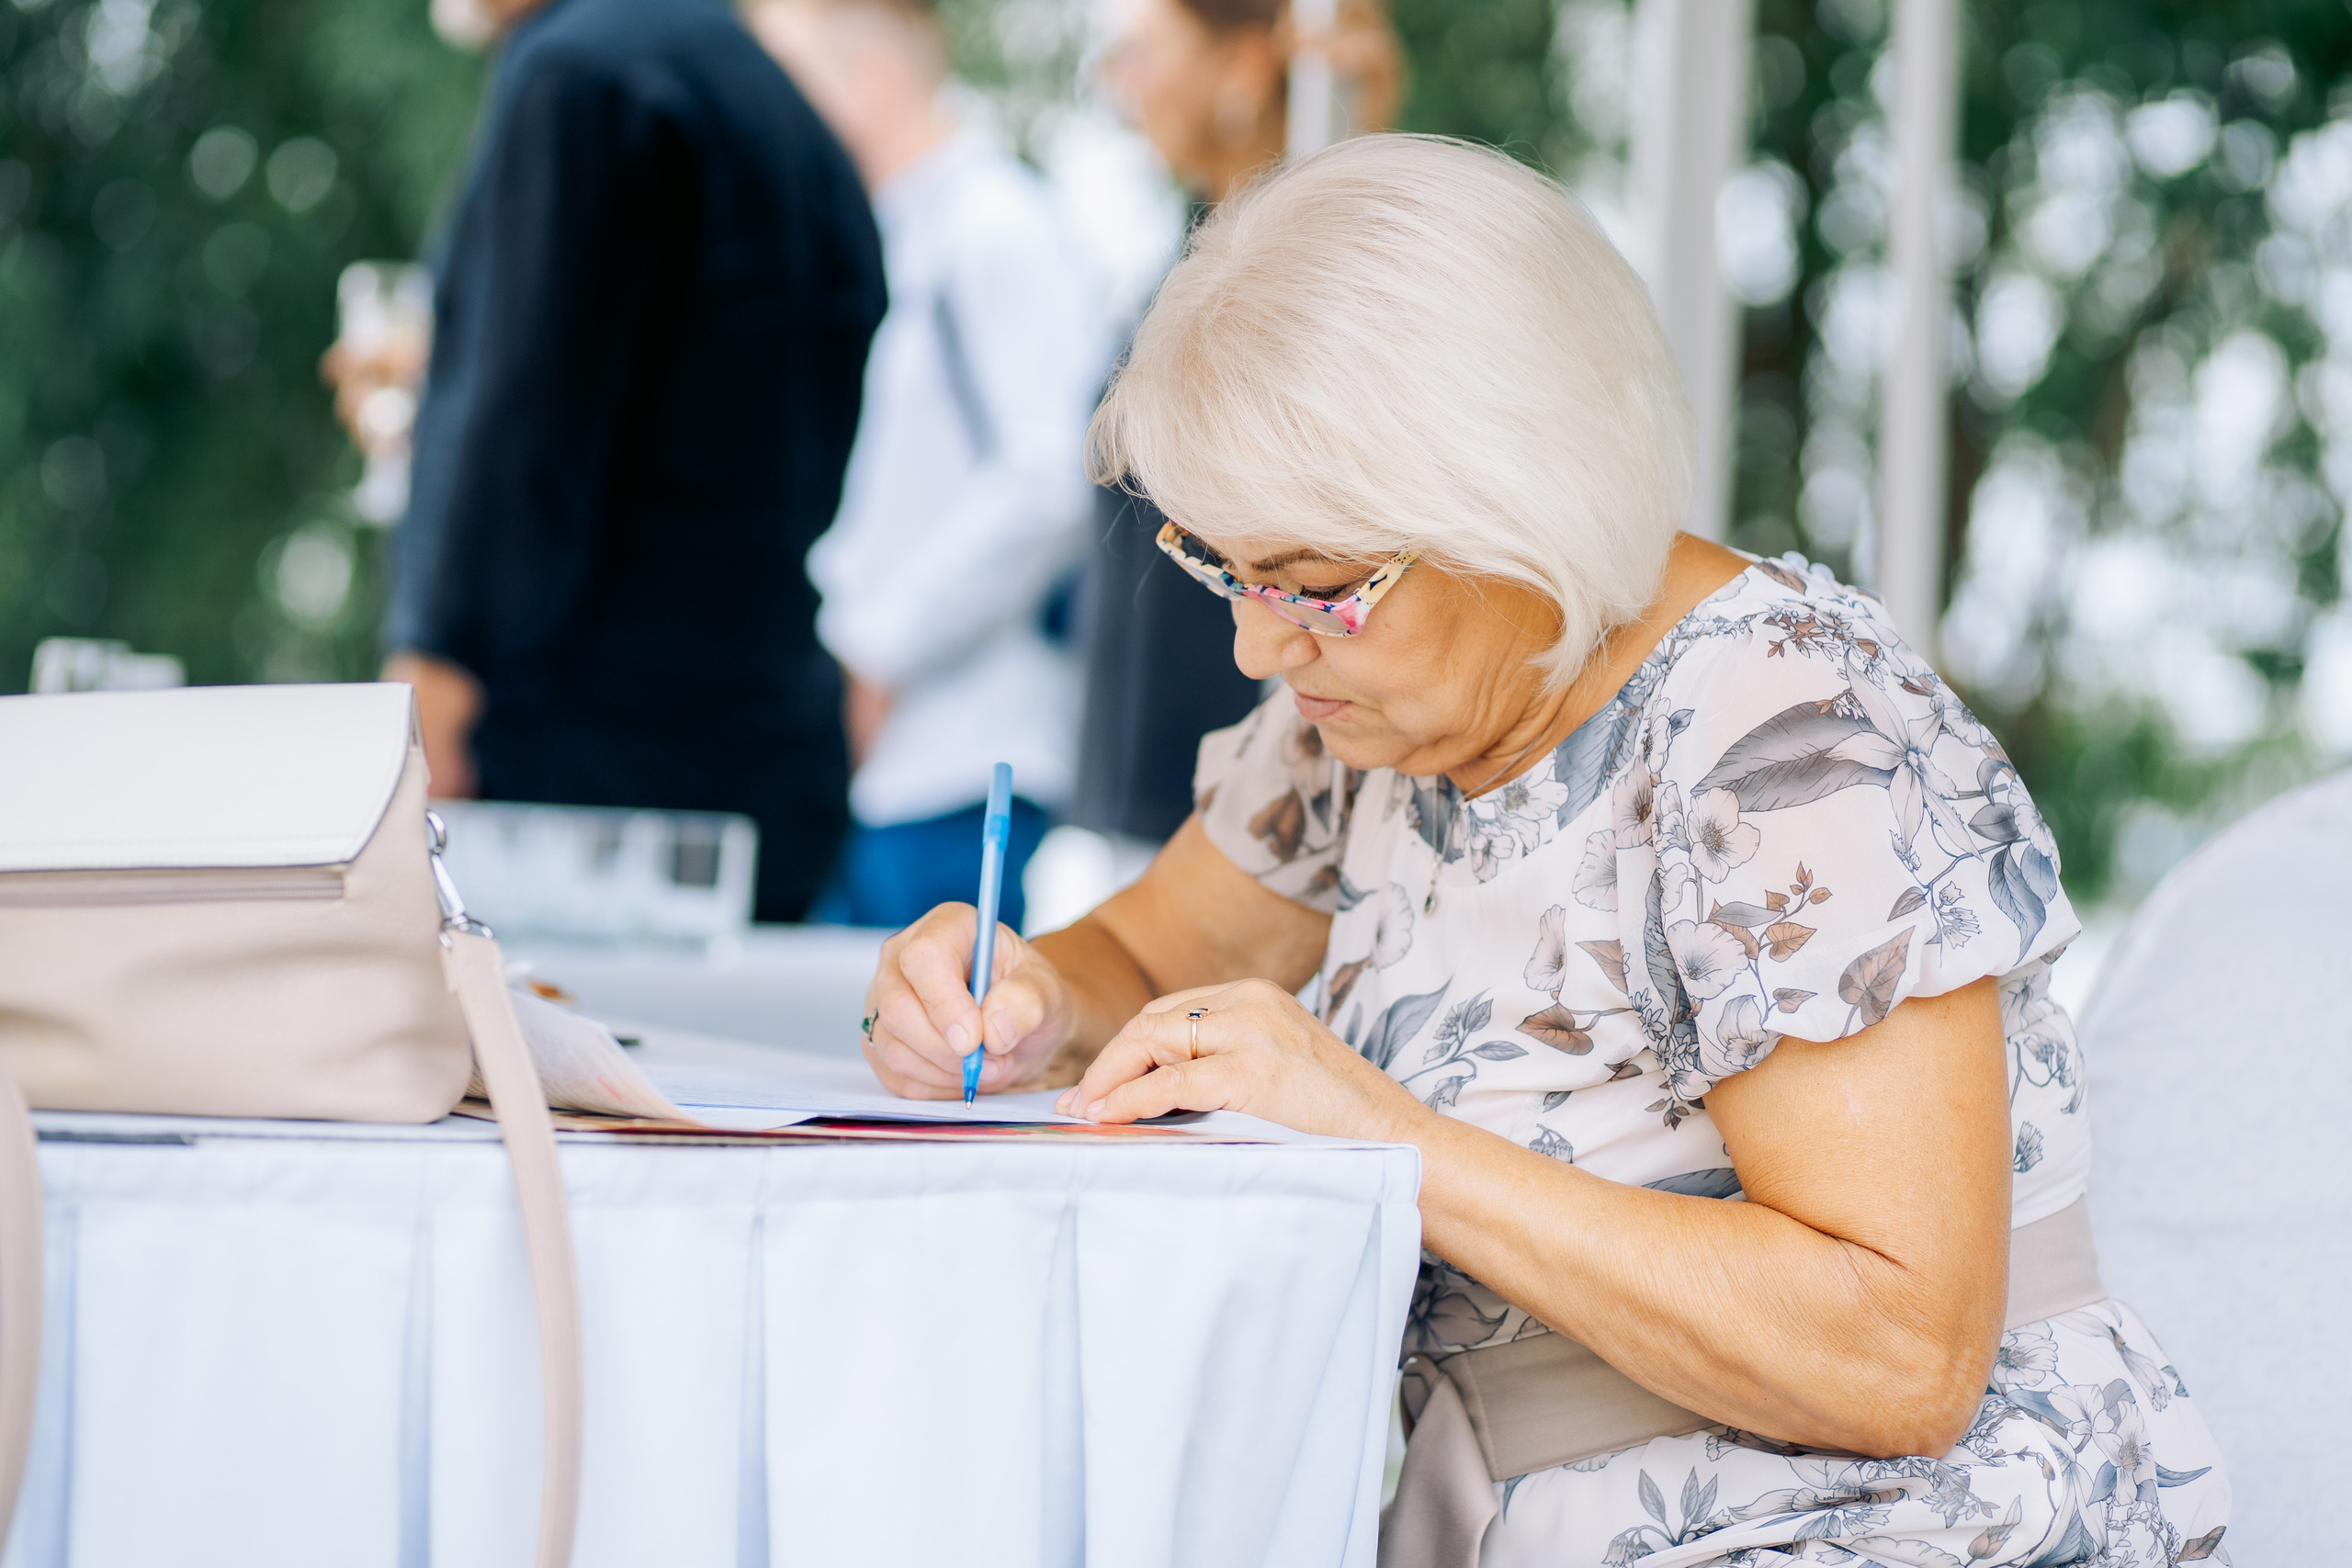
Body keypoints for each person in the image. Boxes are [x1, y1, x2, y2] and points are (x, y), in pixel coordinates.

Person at [854, 138, 2231, 1564]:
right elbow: (1149, 956)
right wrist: (1021, 995)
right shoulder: (1369, 713)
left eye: (1316, 588)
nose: (1257, 643)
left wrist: (1382, 1133)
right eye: (1224, 567)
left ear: (1517, 504)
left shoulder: (1790, 735)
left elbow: (1898, 1353)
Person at [375, 0, 886, 921]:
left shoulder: (576, 76)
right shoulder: (785, 108)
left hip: (582, 771)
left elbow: (524, 411)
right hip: (765, 747)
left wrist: (438, 671)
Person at [744, 0, 1110, 931]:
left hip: (953, 764)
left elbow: (1050, 479)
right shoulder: (883, 233)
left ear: (867, 76)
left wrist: (874, 652)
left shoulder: (995, 226)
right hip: (865, 765)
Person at [1064, 0, 1401, 867]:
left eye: (1141, 53)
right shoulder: (1184, 256)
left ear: (1245, 67)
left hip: (1247, 799)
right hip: (1143, 795)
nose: (1121, 85)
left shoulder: (1322, 280)